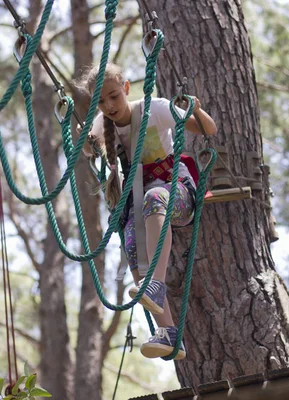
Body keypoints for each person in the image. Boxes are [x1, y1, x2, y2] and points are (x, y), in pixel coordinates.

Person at [76, 63, 217, 360]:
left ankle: (156, 284)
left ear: (126, 88)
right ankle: (168, 332)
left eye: (114, 96)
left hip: (176, 191)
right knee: (131, 243)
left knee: (155, 198)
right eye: (101, 102)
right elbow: (89, 149)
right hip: (141, 200)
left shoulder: (156, 109)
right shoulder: (103, 125)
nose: (109, 106)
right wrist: (82, 136)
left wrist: (195, 109)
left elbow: (208, 129)